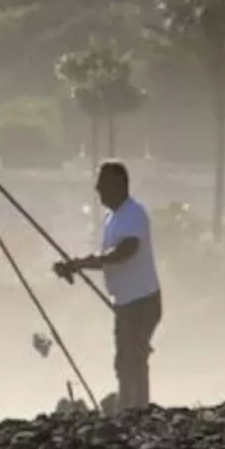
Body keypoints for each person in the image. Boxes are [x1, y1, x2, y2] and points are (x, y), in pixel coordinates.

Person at [53, 160, 162, 412]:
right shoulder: (112, 218)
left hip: (142, 301)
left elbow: (126, 251)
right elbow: (108, 256)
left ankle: (134, 410)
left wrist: (82, 263)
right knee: (127, 357)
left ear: (119, 184)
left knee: (132, 357)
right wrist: (76, 265)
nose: (98, 189)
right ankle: (133, 408)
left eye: (103, 183)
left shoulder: (134, 213)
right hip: (125, 302)